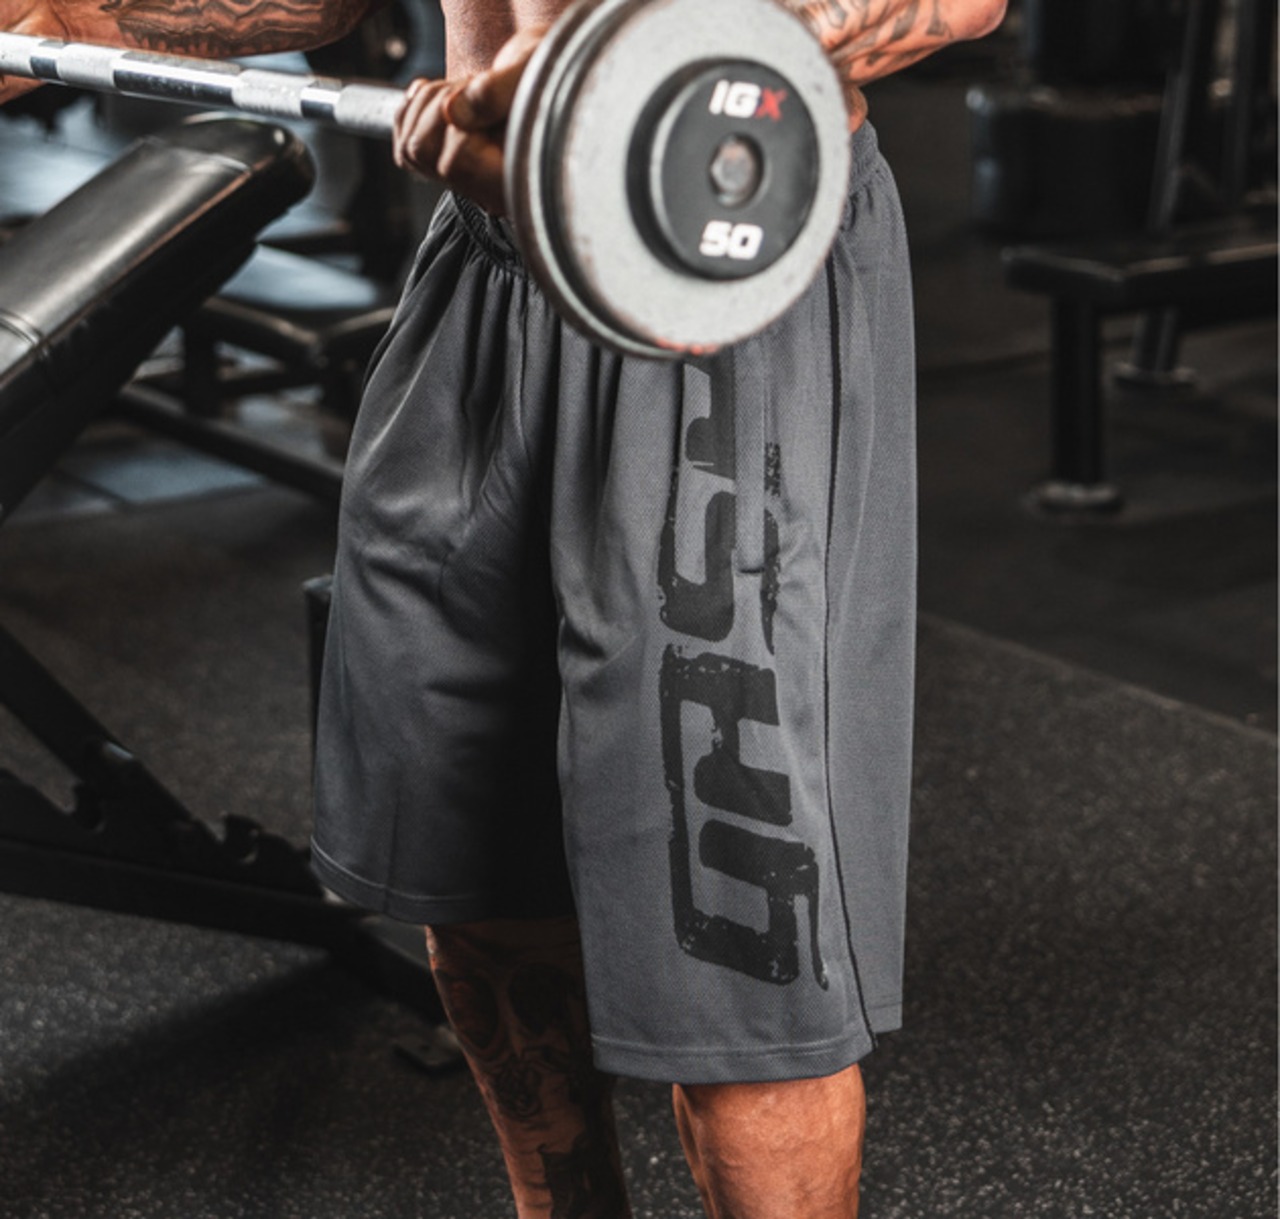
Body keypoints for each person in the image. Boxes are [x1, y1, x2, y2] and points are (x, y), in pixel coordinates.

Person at [2, 0, 1006, 1215]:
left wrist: (684, 45)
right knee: (470, 869)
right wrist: (68, 15)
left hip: (707, 266)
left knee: (735, 963)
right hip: (488, 262)